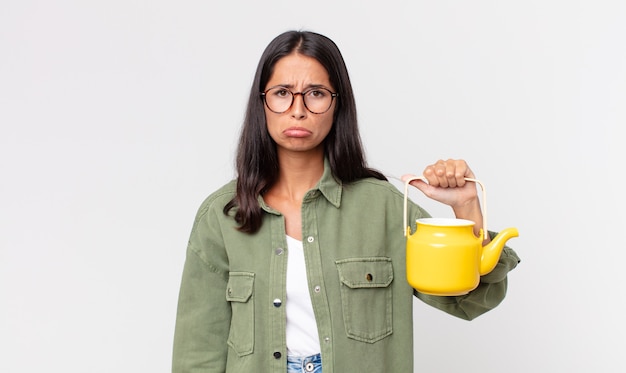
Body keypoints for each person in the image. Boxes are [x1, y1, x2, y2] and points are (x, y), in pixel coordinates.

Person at [172, 30, 520, 373]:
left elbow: (470, 301)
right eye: (282, 93)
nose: (298, 110)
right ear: (262, 103)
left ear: (338, 104)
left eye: (316, 94)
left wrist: (467, 208)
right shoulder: (221, 216)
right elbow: (197, 354)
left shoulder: (382, 209)